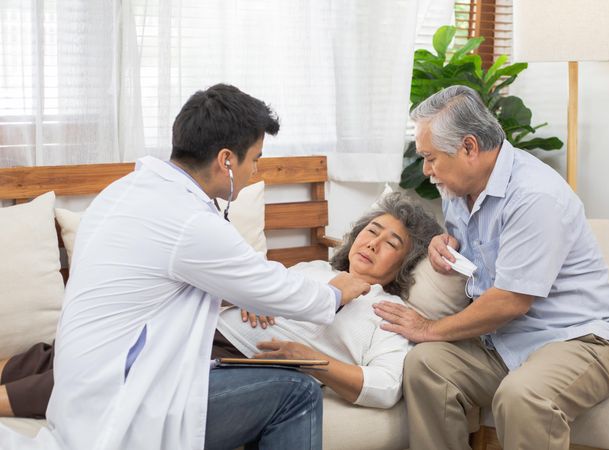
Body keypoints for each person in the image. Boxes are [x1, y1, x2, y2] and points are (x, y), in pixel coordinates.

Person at [0, 83, 370, 450]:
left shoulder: (125, 190)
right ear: (226, 160)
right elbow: (283, 292)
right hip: (126, 406)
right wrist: (338, 290)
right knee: (297, 393)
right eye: (255, 159)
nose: (255, 172)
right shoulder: (189, 221)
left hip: (85, 392)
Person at [0, 192, 443, 415]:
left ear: (402, 264)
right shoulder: (312, 271)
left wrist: (311, 361)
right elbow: (244, 286)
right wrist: (252, 296)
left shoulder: (387, 312)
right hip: (202, 325)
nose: (374, 243)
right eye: (372, 231)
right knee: (74, 351)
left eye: (391, 243)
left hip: (234, 360)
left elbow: (385, 388)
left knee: (110, 376)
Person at [372, 85, 609, 450]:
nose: (427, 170)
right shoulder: (457, 191)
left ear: (468, 148)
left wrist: (430, 327)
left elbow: (510, 301)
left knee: (521, 396)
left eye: (431, 158)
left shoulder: (534, 195)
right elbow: (480, 256)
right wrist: (442, 244)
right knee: (426, 366)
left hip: (580, 339)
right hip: (505, 340)